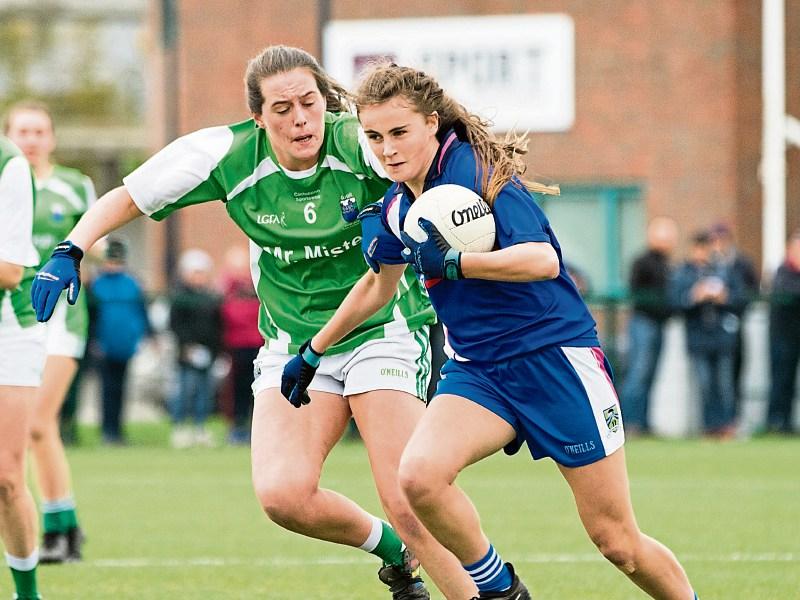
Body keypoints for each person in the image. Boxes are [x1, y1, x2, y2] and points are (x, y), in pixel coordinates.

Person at [30, 45, 475, 600]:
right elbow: (130, 196)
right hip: (292, 343)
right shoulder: (226, 153)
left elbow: (439, 153)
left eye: (309, 102)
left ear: (325, 101)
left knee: (407, 499)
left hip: (381, 330)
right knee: (284, 496)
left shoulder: (357, 140)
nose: (300, 118)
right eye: (282, 108)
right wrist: (71, 248)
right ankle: (392, 552)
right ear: (259, 118)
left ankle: (486, 594)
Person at [282, 62, 698, 600]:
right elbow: (376, 287)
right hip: (479, 371)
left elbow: (543, 260)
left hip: (555, 360)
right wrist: (313, 351)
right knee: (418, 477)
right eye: (375, 136)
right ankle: (501, 589)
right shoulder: (395, 203)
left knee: (616, 540)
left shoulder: (477, 172)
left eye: (400, 132)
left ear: (433, 123)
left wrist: (455, 263)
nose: (387, 148)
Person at [5, 100, 94, 564]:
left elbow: (93, 244)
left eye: (39, 131)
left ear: (52, 139)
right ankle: (65, 526)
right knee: (38, 431)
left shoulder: (76, 187)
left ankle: (61, 527)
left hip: (62, 318)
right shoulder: (6, 186)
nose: (31, 139)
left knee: (39, 422)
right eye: (22, 131)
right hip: (15, 319)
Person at [0, 134, 45, 599]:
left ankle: (27, 593)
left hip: (9, 326)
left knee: (7, 475)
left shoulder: (8, 164)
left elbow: (10, 270)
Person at [671, 231, 746, 438]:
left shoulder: (724, 271)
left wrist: (724, 297)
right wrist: (693, 296)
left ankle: (727, 426)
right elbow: (674, 302)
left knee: (724, 383)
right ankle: (709, 427)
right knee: (704, 384)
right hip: (697, 337)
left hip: (722, 337)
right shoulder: (683, 273)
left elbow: (741, 297)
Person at [86, 238, 150, 445]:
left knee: (121, 389)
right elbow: (92, 317)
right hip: (104, 345)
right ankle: (107, 431)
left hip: (125, 345)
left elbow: (141, 313)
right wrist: (94, 340)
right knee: (106, 389)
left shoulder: (132, 284)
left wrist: (143, 336)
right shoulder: (96, 285)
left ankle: (118, 431)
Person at [620, 216, 679, 435]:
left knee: (651, 374)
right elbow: (638, 292)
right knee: (638, 373)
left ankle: (643, 422)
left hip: (659, 324)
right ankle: (630, 422)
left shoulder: (667, 264)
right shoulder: (643, 262)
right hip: (643, 324)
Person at [168, 248, 223, 449]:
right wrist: (188, 347)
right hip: (186, 353)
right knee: (184, 390)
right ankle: (180, 427)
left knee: (204, 393)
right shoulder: (180, 297)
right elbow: (175, 326)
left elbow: (217, 327)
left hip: (208, 353)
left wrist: (215, 350)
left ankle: (200, 427)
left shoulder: (212, 298)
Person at [709, 222, 759, 422]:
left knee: (733, 375)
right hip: (709, 329)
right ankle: (715, 423)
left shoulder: (741, 263)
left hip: (734, 326)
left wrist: (729, 299)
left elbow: (750, 292)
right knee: (712, 380)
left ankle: (733, 420)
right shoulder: (707, 264)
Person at [219, 246, 262, 445]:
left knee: (259, 390)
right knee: (237, 390)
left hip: (258, 346)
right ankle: (237, 426)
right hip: (236, 347)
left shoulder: (259, 288)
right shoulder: (226, 292)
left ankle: (256, 428)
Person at [766, 229, 800, 434]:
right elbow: (788, 291)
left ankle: (786, 423)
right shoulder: (782, 271)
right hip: (782, 336)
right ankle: (776, 422)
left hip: (796, 336)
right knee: (781, 380)